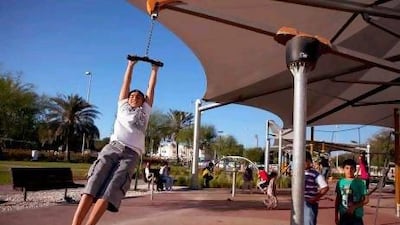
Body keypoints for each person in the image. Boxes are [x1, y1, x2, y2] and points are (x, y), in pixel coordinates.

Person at [71, 59, 159, 225]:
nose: (134, 97)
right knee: (94, 182)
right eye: (132, 96)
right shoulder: (122, 106)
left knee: (110, 191)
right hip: (113, 148)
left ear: (143, 101)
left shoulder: (145, 112)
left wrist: (154, 69)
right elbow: (126, 82)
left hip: (131, 155)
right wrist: (130, 65)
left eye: (138, 97)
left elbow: (151, 89)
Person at [335, 159, 368, 225]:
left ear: (355, 170)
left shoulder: (360, 183)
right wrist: (336, 216)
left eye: (352, 168)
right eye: (347, 168)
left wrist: (354, 207)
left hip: (357, 216)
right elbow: (338, 199)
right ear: (343, 169)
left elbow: (366, 199)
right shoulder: (340, 182)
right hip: (343, 215)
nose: (349, 170)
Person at [304, 151, 329, 225]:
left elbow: (325, 187)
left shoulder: (315, 174)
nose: (303, 162)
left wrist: (315, 198)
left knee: (309, 222)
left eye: (305, 160)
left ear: (310, 161)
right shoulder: (297, 172)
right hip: (298, 203)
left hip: (309, 203)